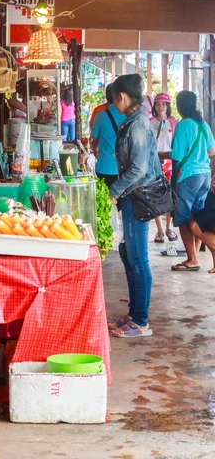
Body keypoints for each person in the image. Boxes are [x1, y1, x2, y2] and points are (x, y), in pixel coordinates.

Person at [107, 74, 162, 339]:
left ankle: (141, 322)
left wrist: (114, 191)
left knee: (138, 258)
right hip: (131, 196)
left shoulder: (138, 125)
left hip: (138, 198)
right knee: (129, 254)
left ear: (122, 97)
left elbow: (139, 168)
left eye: (115, 98)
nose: (114, 102)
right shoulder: (131, 122)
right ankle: (134, 312)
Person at [160, 91, 215, 272]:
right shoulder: (203, 124)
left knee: (183, 217)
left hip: (188, 176)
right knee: (198, 216)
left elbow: (176, 155)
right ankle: (197, 256)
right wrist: (200, 157)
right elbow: (212, 150)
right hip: (205, 175)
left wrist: (162, 154)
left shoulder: (183, 125)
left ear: (179, 105)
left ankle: (192, 259)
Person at [150, 92, 179, 243]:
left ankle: (169, 227)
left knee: (170, 196)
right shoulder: (149, 123)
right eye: (157, 103)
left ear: (168, 106)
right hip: (155, 163)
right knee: (156, 196)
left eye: (163, 104)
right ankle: (159, 230)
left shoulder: (174, 123)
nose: (160, 106)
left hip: (170, 164)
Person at [90, 83, 126, 187]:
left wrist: (94, 150)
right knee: (122, 202)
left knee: (105, 200)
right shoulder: (128, 115)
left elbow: (93, 139)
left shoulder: (100, 115)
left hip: (104, 166)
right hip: (124, 168)